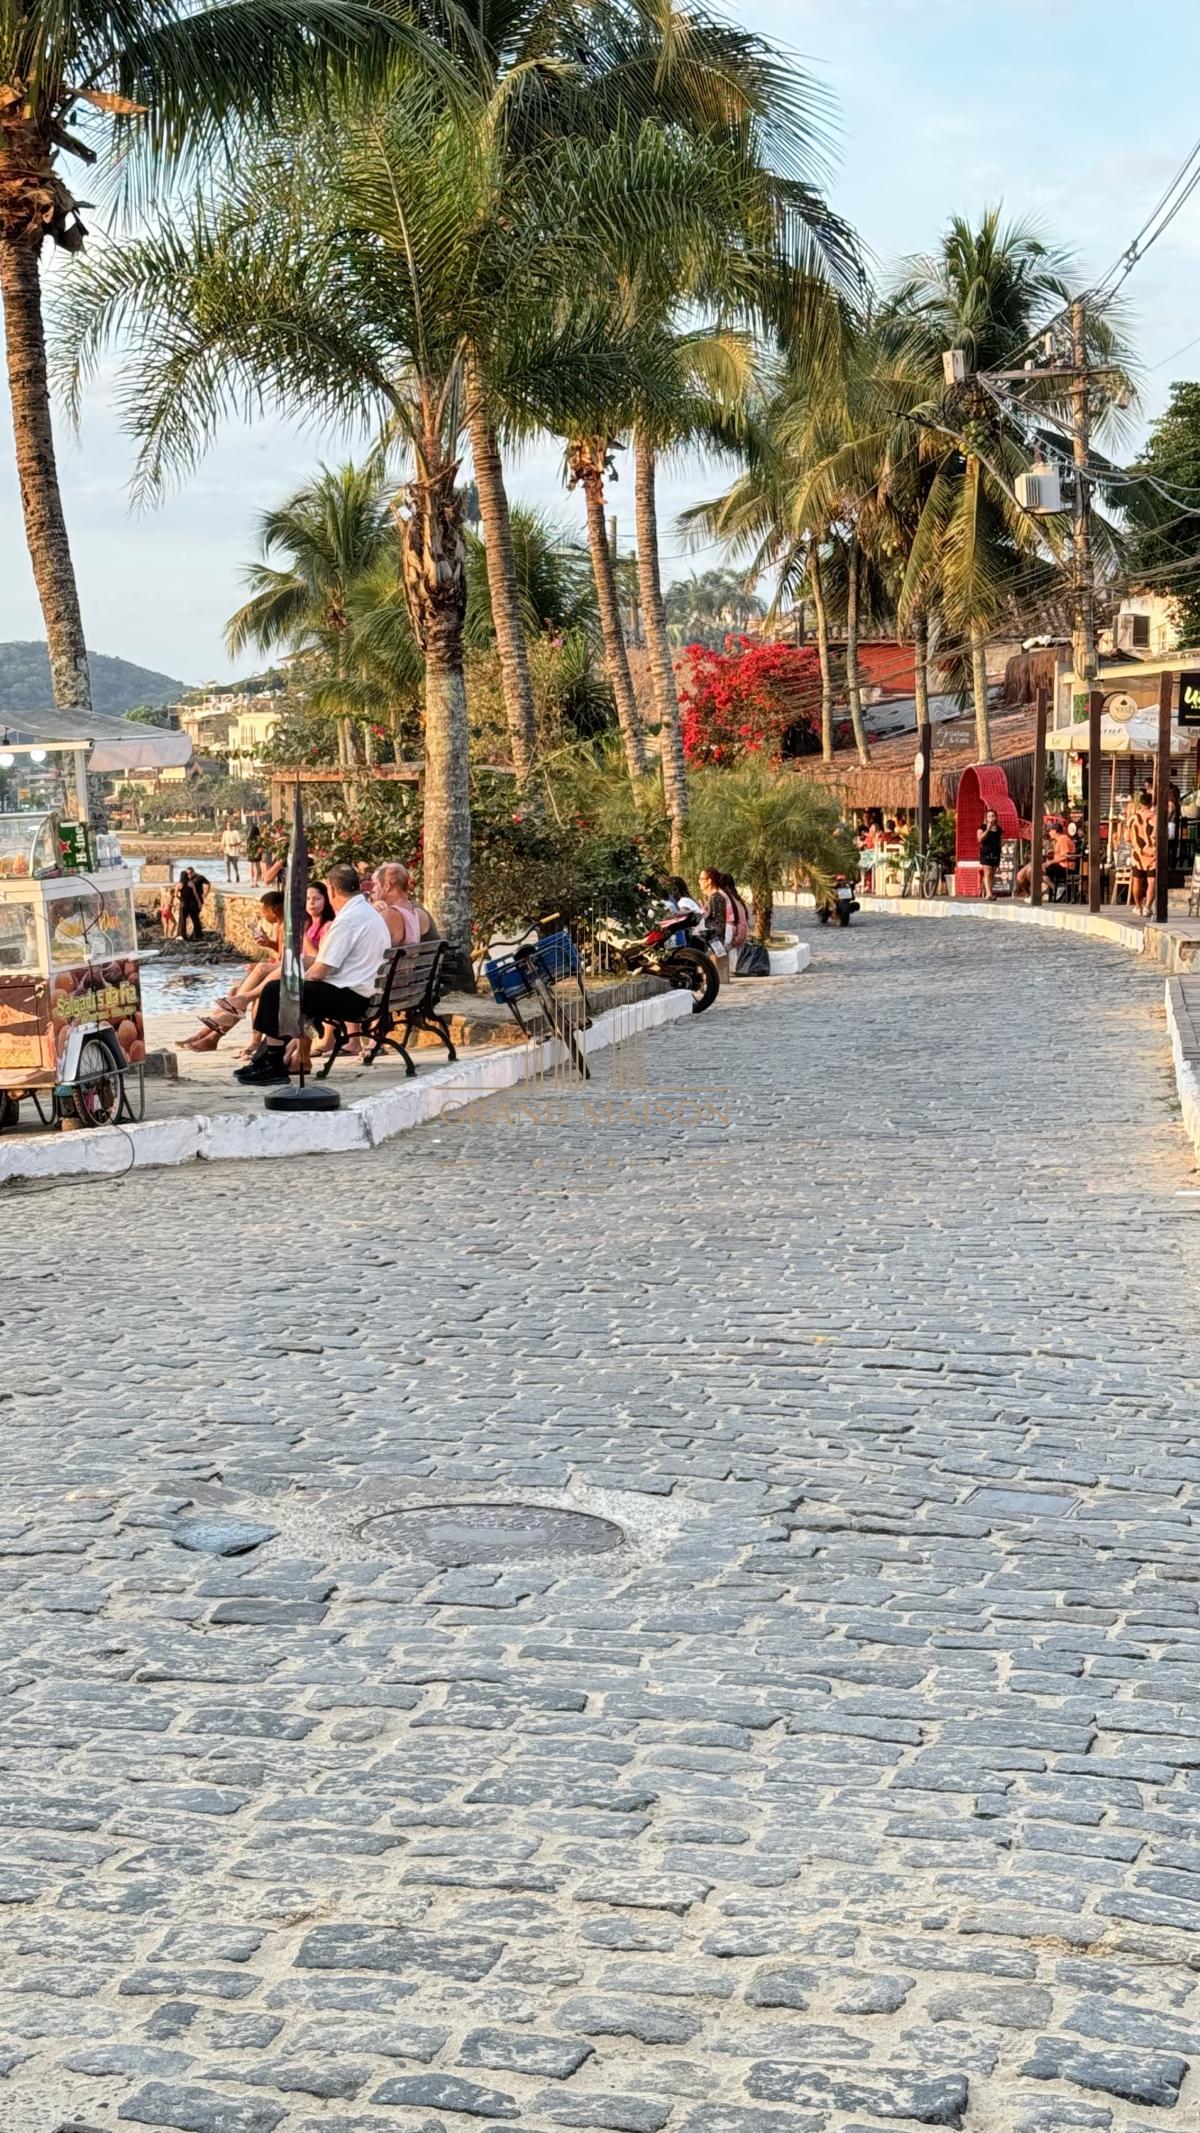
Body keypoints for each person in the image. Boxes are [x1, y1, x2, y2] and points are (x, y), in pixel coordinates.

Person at [235, 864, 392, 1084]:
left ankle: (273, 1064)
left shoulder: (348, 919)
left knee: (275, 990)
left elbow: (321, 970)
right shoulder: (366, 912)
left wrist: (294, 982)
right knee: (283, 990)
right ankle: (264, 1061)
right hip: (367, 994)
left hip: (355, 999)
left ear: (331, 890)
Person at [179, 892, 285, 1051]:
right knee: (236, 991)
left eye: (264, 911)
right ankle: (205, 1034)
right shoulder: (280, 926)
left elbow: (290, 959)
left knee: (255, 993)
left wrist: (263, 964)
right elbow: (281, 955)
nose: (263, 915)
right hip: (278, 969)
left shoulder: (289, 926)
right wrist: (269, 944)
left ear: (274, 910)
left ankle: (222, 1036)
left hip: (285, 972)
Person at [1127, 785, 1157, 915]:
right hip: (1153, 854)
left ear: (1140, 803)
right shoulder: (1156, 818)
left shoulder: (1132, 819)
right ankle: (1148, 907)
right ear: (1151, 803)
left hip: (1137, 854)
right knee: (1152, 881)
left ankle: (1138, 907)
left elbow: (1127, 838)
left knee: (1136, 880)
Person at [176, 867, 209, 940]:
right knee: (195, 918)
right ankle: (198, 935)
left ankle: (182, 935)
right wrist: (199, 902)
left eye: (190, 873)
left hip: (183, 903)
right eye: (187, 874)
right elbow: (195, 894)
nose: (189, 875)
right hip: (191, 903)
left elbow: (175, 895)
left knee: (182, 920)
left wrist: (180, 899)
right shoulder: (191, 883)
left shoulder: (178, 884)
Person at [977, 809, 1002, 900]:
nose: (991, 817)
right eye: (989, 816)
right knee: (987, 872)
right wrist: (988, 829)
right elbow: (980, 839)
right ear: (986, 818)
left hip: (995, 852)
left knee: (992, 873)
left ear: (996, 818)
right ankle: (988, 894)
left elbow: (1000, 840)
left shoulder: (998, 829)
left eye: (993, 816)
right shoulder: (982, 827)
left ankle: (989, 892)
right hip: (986, 851)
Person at [305, 881, 335, 954]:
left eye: (317, 899)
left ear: (326, 901)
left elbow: (320, 958)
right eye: (308, 898)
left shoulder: (328, 926)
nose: (311, 902)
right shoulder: (307, 925)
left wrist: (303, 937)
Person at [221, 818, 244, 883]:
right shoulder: (225, 832)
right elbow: (222, 842)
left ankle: (237, 874)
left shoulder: (236, 832)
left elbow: (239, 842)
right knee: (227, 864)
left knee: (234, 865)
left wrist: (233, 845)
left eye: (230, 825)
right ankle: (229, 878)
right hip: (227, 851)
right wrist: (222, 849)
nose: (229, 826)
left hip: (234, 852)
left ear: (232, 826)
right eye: (228, 825)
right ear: (226, 826)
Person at [245, 817, 263, 886]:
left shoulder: (248, 839)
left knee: (251, 866)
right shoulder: (259, 838)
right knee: (257, 867)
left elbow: (247, 846)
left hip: (250, 853)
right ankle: (256, 882)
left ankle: (251, 882)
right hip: (257, 853)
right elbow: (261, 846)